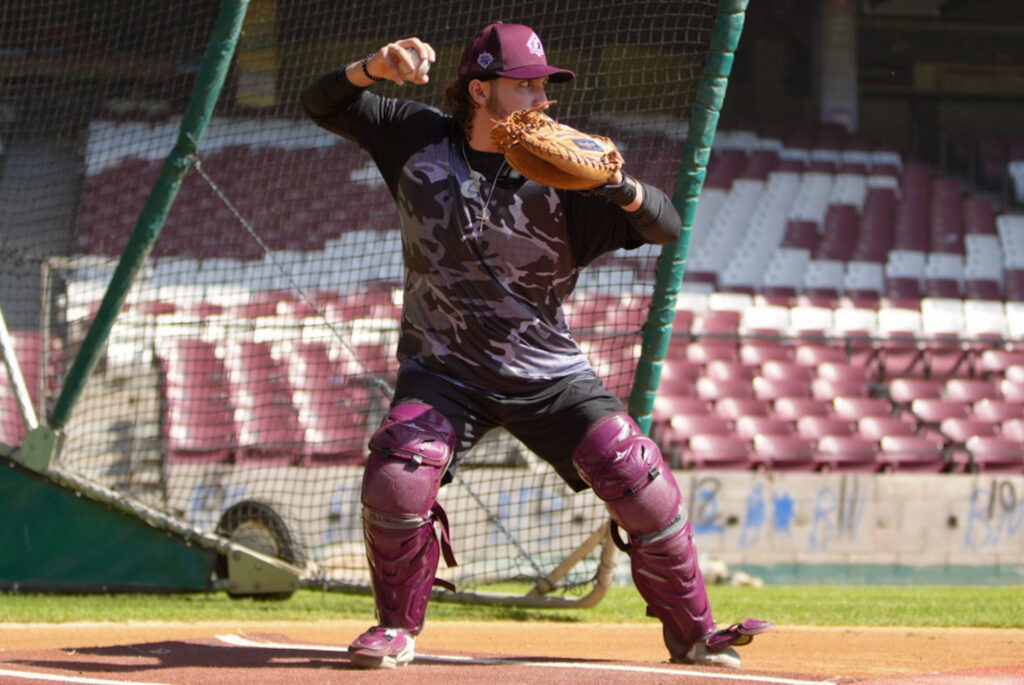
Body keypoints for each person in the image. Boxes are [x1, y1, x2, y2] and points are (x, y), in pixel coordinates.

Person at [300, 21, 770, 670]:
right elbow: (321, 103)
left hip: (547, 375)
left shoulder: (565, 175)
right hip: (444, 370)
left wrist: (618, 183)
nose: (542, 100)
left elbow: (665, 223)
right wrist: (373, 66)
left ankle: (694, 634)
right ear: (480, 89)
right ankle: (394, 627)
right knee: (397, 477)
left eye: (546, 86)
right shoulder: (416, 138)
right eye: (525, 87)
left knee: (640, 477)